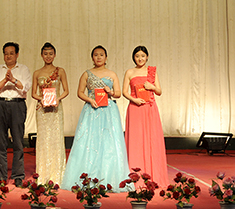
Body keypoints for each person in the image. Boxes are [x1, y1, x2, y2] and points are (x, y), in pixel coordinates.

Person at [61, 45, 130, 191]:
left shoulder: (112, 74)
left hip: (109, 111)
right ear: (92, 57)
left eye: (101, 55)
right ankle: (88, 177)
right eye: (96, 55)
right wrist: (90, 100)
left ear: (106, 57)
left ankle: (109, 178)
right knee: (89, 141)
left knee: (109, 142)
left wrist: (110, 92)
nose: (99, 57)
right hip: (92, 110)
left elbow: (118, 93)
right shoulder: (87, 74)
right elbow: (80, 92)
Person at [122, 45, 168, 187]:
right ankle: (135, 177)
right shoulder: (129, 72)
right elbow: (124, 92)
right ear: (133, 58)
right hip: (135, 108)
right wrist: (134, 100)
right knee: (136, 141)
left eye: (142, 56)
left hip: (149, 108)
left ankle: (153, 175)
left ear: (147, 57)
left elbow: (159, 91)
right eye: (137, 56)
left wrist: (152, 87)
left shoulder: (151, 72)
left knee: (151, 139)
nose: (140, 58)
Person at [0, 42, 32, 187]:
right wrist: (5, 80)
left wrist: (13, 80)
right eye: (6, 53)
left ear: (17, 54)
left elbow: (25, 87)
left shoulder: (23, 69)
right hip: (0, 105)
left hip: (17, 105)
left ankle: (18, 175)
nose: (8, 56)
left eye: (11, 53)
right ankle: (1, 176)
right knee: (0, 143)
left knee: (18, 141)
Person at [31, 42, 69, 185]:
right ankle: (43, 174)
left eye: (51, 54)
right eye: (45, 54)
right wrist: (42, 99)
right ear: (41, 55)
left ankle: (57, 174)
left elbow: (66, 90)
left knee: (56, 139)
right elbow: (34, 93)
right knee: (43, 139)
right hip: (42, 110)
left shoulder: (60, 71)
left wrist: (57, 98)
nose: (48, 56)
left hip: (56, 110)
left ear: (55, 55)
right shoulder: (37, 73)